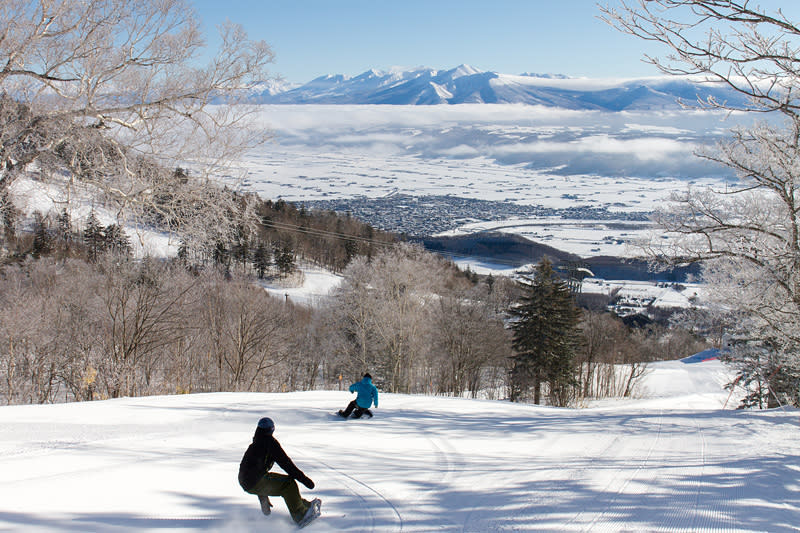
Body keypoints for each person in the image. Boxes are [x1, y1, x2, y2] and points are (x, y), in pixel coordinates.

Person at [238, 417, 321, 526]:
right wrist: (304, 480)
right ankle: (300, 515)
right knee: (288, 484)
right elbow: (286, 464)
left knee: (283, 485)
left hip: (246, 482)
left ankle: (304, 505)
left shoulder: (256, 443)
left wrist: (263, 498)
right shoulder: (269, 443)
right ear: (271, 429)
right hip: (255, 481)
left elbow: (251, 471)